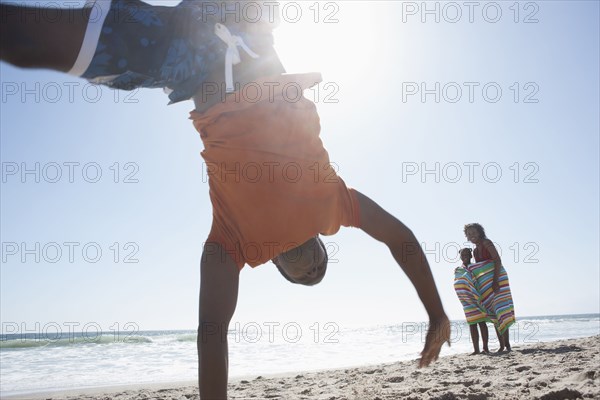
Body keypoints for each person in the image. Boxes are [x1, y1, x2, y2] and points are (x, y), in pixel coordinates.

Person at [1, 2, 452, 399]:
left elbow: (212, 335)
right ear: (319, 240)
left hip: (183, 57)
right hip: (248, 26)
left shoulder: (232, 245)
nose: (313, 269)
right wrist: (435, 313)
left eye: (304, 277)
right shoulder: (335, 205)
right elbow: (401, 239)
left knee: (26, 41)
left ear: (276, 266)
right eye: (321, 265)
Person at [464, 223, 516, 352]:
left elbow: (497, 260)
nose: (472, 236)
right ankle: (502, 345)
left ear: (480, 232)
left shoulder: (487, 242)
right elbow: (481, 269)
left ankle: (507, 345)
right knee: (493, 312)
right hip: (487, 283)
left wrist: (495, 281)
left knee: (500, 310)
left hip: (498, 279)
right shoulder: (475, 251)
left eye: (474, 232)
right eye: (469, 234)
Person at [454, 248, 490, 355]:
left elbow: (481, 280)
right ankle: (476, 349)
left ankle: (485, 348)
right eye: (462, 254)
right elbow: (458, 281)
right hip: (466, 300)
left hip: (477, 298)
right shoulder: (458, 270)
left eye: (467, 254)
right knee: (472, 324)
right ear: (460, 257)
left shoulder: (476, 267)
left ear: (471, 256)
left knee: (482, 323)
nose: (465, 256)